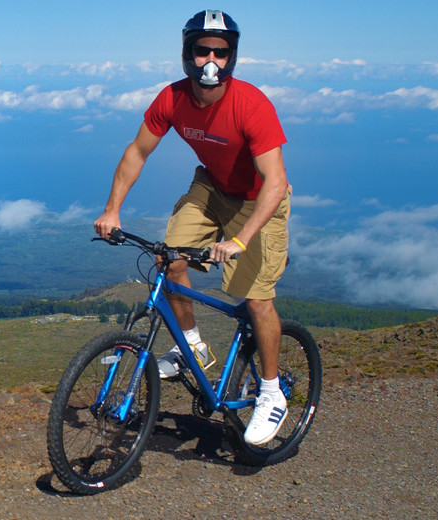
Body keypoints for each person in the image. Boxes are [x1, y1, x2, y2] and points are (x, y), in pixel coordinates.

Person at [92, 10, 292, 446]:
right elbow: (136, 152)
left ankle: (273, 394)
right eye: (203, 50)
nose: (212, 60)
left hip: (259, 201)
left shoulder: (251, 105)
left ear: (232, 57)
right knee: (170, 256)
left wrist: (239, 239)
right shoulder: (173, 98)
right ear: (188, 52)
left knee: (256, 300)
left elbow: (275, 182)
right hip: (211, 188)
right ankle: (193, 348)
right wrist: (112, 209)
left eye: (221, 52)